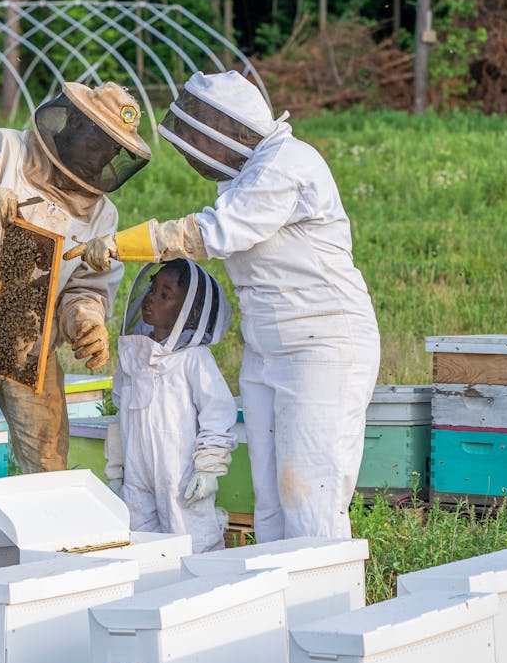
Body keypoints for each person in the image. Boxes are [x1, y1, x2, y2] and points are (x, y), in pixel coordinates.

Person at [69, 70, 379, 541]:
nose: (196, 152)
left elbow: (214, 233)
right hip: (267, 350)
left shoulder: (287, 164)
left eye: (200, 137)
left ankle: (325, 604)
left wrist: (124, 244)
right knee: (271, 498)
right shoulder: (246, 175)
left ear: (233, 130)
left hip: (323, 346)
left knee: (309, 493)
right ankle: (278, 604)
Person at [0, 82, 152, 525]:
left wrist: (87, 322)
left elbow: (86, 289)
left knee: (49, 465)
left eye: (112, 150)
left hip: (30, 339)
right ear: (73, 121)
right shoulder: (4, 149)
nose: (101, 156)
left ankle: (48, 554)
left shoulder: (103, 216)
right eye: (97, 140)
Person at [105, 259, 236, 553]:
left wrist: (209, 468)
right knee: (140, 545)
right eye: (153, 288)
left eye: (165, 295)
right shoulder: (134, 356)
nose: (151, 297)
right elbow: (120, 415)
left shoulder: (194, 358)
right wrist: (116, 471)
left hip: (180, 475)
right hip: (137, 474)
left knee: (193, 541)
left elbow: (218, 414)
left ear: (189, 314)